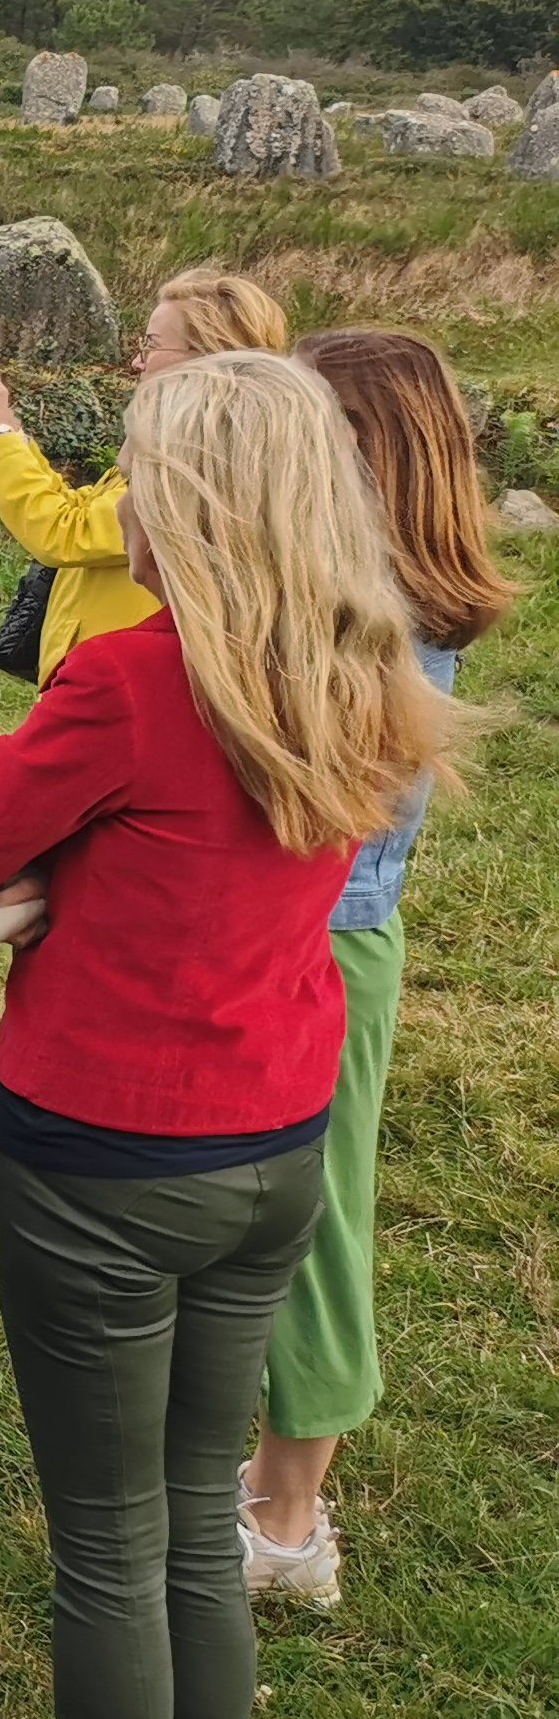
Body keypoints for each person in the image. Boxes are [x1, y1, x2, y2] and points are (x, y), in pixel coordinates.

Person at [0, 351, 462, 1719]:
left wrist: (63, 876)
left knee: (107, 1544)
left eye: (145, 470)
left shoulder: (136, 683)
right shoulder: (368, 670)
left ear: (199, 506)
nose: (124, 502)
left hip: (106, 1153)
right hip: (276, 1134)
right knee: (196, 1531)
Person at [239, 332, 517, 1605]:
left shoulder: (384, 605)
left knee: (318, 1216)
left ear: (371, 445)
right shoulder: (363, 580)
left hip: (327, 936)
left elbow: (325, 802)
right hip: (312, 925)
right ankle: (263, 1478)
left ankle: (291, 1520)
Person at [0, 268, 289, 682]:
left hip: (127, 681)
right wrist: (12, 430)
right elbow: (85, 508)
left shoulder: (200, 463)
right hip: (117, 670)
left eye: (150, 346)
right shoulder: (183, 442)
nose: (136, 362)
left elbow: (65, 532)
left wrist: (0, 435)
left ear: (208, 355)